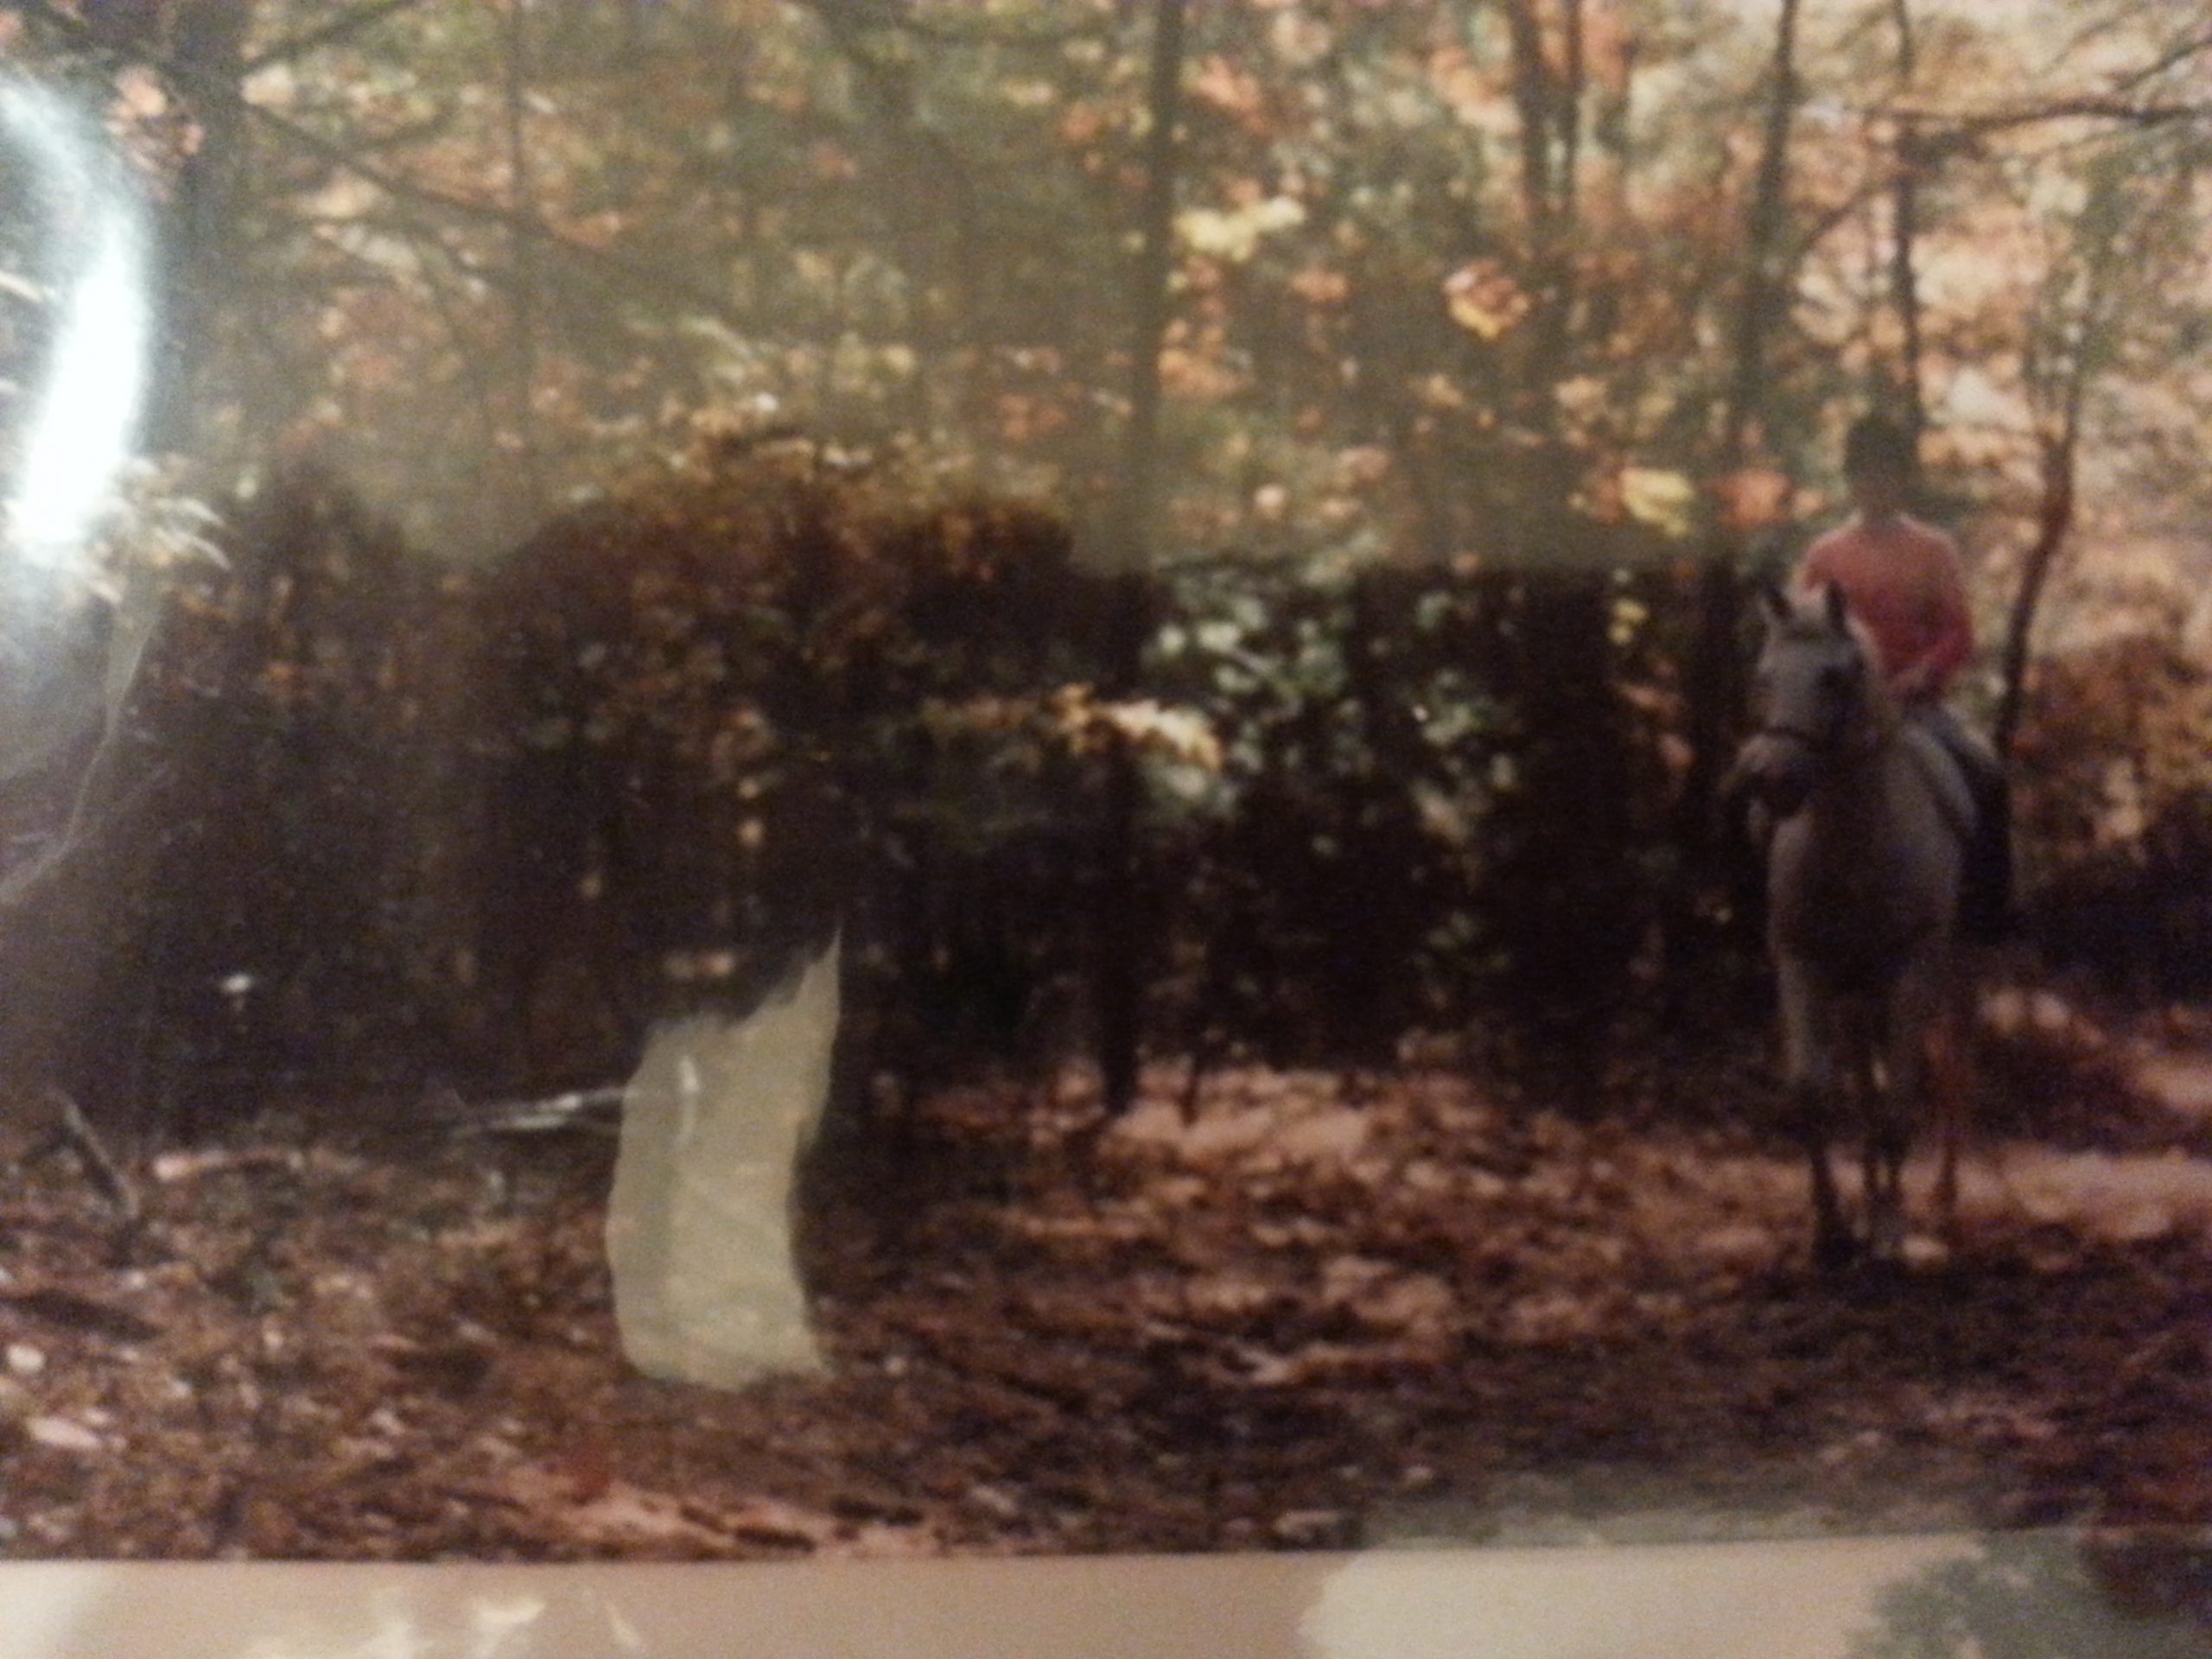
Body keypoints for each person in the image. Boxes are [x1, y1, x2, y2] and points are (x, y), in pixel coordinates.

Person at [1794, 412, 2012, 941]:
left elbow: (1960, 633)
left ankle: (1988, 916)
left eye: (1886, 474)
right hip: (1840, 713)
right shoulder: (1825, 556)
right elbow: (1802, 637)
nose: (1875, 485)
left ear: (1902, 479)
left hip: (1915, 709)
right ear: (1851, 480)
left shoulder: (1932, 549)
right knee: (1754, 786)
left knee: (1986, 775)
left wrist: (1924, 672)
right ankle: (1752, 914)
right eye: (1864, 474)